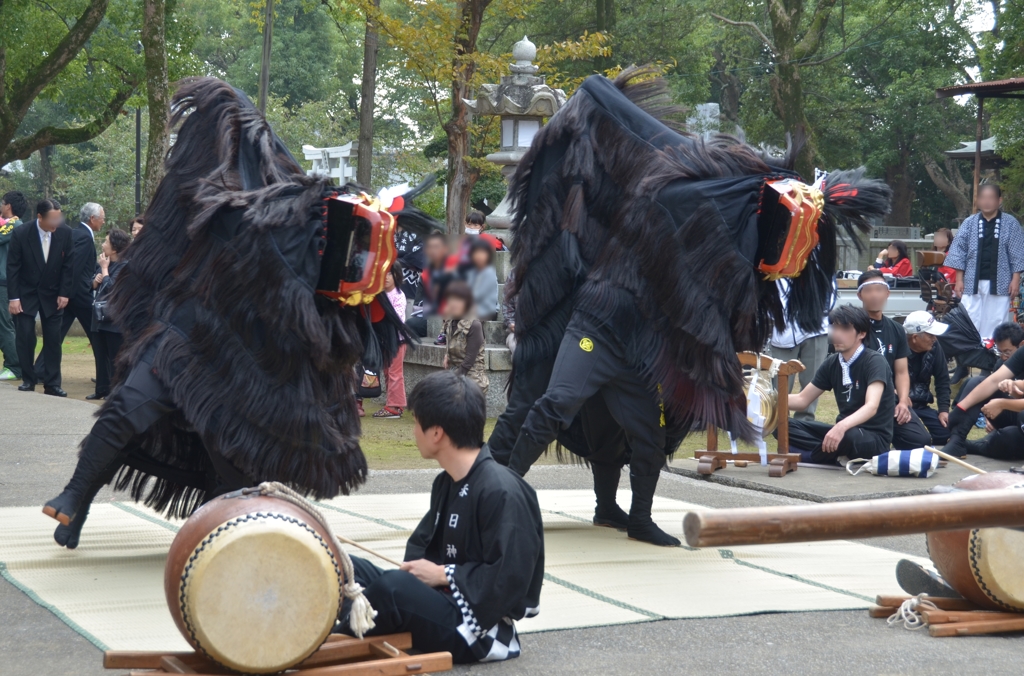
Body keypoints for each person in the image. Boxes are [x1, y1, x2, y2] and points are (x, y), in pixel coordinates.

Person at [41, 78, 429, 550]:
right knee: (127, 408)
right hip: (183, 336)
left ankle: (226, 535)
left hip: (241, 362)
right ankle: (76, 496)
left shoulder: (294, 214)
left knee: (231, 460)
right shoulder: (209, 203)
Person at [341, 371, 543, 663]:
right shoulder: (446, 482)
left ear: (436, 433)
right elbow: (423, 548)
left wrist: (442, 574)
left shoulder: (503, 491)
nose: (414, 432)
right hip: (443, 601)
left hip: (480, 630)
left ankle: (334, 632)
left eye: (417, 424)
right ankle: (346, 616)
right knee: (346, 566)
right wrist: (423, 574)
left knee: (392, 589)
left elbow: (509, 578)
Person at [784, 305, 894, 464]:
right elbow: (802, 400)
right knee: (781, 424)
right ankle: (833, 454)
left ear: (862, 333)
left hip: (871, 438)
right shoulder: (832, 362)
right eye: (834, 328)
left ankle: (810, 457)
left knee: (849, 436)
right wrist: (768, 400)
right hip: (843, 432)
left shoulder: (874, 361)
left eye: (845, 329)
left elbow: (872, 406)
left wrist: (841, 427)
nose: (837, 334)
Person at [857, 270, 932, 449]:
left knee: (919, 442)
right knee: (865, 444)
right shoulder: (853, 327)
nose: (874, 295)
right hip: (861, 397)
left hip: (891, 399)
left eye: (879, 290)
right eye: (869, 291)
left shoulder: (896, 329)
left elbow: (901, 371)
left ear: (887, 293)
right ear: (860, 295)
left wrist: (904, 401)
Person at [6, 199, 74, 396]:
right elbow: (13, 267)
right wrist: (14, 298)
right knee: (25, 335)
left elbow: (69, 266)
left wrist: (64, 293)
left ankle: (53, 383)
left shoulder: (65, 232)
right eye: (52, 219)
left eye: (58, 218)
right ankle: (29, 379)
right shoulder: (21, 233)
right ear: (39, 217)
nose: (56, 223)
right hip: (26, 292)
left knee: (53, 339)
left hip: (53, 292)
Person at [945, 184, 1024, 340]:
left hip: (1000, 281)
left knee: (995, 320)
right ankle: (969, 357)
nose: (987, 201)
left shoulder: (1010, 223)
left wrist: (1016, 279)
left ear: (999, 200)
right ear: (978, 201)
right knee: (968, 317)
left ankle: (992, 355)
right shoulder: (969, 223)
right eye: (983, 198)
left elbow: (1018, 253)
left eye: (991, 198)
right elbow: (959, 251)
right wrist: (959, 280)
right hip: (971, 281)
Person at [37, 202, 104, 383]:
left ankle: (40, 369)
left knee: (56, 334)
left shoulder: (76, 233)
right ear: (92, 219)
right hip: (78, 296)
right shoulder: (84, 237)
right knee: (98, 334)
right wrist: (84, 288)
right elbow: (74, 268)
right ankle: (106, 376)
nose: (103, 223)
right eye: (102, 219)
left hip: (70, 295)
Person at [769, 278, 833, 421]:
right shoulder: (776, 260)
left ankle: (805, 421)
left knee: (813, 380)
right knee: (779, 380)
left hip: (816, 328)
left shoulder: (818, 259)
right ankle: (778, 420)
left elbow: (830, 289)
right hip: (783, 329)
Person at [89, 228, 131, 400]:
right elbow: (92, 285)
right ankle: (101, 389)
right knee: (100, 355)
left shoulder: (126, 266)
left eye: (106, 242)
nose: (103, 244)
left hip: (113, 319)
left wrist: (104, 271)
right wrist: (95, 281)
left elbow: (114, 288)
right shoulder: (104, 263)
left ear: (114, 248)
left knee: (115, 357)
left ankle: (115, 392)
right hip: (99, 317)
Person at [903, 310, 951, 445]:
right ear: (914, 338)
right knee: (915, 438)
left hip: (922, 406)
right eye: (930, 335)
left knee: (946, 433)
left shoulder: (935, 347)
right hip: (900, 406)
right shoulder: (897, 349)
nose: (934, 338)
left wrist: (943, 410)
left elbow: (942, 380)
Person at [0, 190, 28, 381]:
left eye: (2, 202)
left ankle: (14, 366)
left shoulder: (14, 224)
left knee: (5, 324)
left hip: (4, 283)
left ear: (8, 206)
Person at [442, 281, 488, 395]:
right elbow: (451, 342)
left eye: (458, 300)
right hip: (455, 374)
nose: (454, 304)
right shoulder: (450, 321)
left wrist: (450, 382)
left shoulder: (474, 324)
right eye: (451, 299)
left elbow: (469, 361)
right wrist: (447, 355)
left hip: (472, 379)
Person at [374, 262, 408, 419]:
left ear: (396, 275)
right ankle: (395, 404)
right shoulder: (379, 295)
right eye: (384, 273)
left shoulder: (399, 295)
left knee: (395, 372)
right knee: (388, 372)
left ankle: (394, 406)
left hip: (397, 340)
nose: (386, 277)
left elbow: (397, 318)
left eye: (390, 273)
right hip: (383, 340)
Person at [465, 238, 498, 321]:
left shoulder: (489, 272)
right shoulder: (471, 272)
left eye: (482, 253)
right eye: (476, 253)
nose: (479, 256)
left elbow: (478, 295)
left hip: (487, 309)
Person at [502, 269, 517, 354]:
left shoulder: (545, 272)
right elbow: (507, 303)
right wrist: (511, 323)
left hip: (541, 330)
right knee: (515, 346)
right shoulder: (514, 273)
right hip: (517, 331)